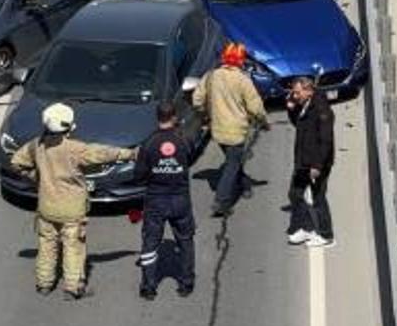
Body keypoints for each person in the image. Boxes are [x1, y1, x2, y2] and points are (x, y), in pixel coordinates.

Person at [10, 103, 137, 299]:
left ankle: (44, 283)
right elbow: (104, 153)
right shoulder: (75, 149)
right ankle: (73, 287)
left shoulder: (36, 145)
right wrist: (131, 153)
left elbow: (17, 162)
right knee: (73, 248)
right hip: (72, 210)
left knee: (47, 245)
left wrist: (37, 177)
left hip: (46, 207)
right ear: (69, 127)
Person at [192, 42, 269, 217]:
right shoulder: (242, 80)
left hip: (217, 130)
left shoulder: (211, 76)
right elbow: (255, 106)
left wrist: (204, 113)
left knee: (233, 159)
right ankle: (221, 201)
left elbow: (197, 100)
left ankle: (244, 185)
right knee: (231, 166)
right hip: (236, 131)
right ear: (240, 61)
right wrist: (263, 121)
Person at [134, 102, 196, 300]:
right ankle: (186, 283)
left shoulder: (148, 143)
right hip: (180, 198)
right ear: (174, 117)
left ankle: (149, 287)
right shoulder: (183, 140)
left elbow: (139, 175)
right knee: (185, 240)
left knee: (150, 242)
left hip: (156, 200)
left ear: (157, 117)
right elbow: (190, 157)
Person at [285, 77, 336, 247]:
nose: (295, 95)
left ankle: (327, 235)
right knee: (295, 194)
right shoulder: (305, 105)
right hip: (303, 161)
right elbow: (298, 124)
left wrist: (317, 165)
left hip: (316, 164)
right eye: (293, 92)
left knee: (318, 197)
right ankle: (305, 227)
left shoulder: (321, 110)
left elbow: (325, 141)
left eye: (297, 92)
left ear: (309, 91)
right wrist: (291, 109)